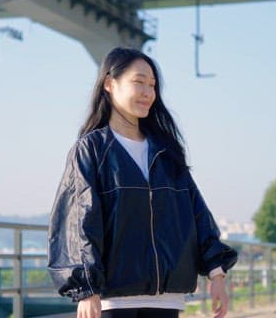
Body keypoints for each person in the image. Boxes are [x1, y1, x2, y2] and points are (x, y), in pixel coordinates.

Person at [47, 47, 238, 318]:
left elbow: (196, 213)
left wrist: (217, 273)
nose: (148, 92)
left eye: (152, 85)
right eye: (139, 82)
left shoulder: (166, 151)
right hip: (114, 300)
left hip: (167, 300)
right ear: (110, 84)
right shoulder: (92, 150)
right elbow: (79, 222)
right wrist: (87, 288)